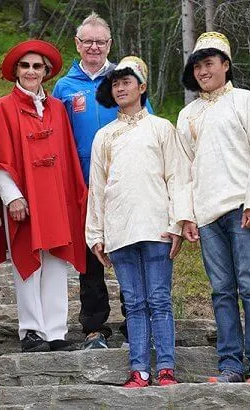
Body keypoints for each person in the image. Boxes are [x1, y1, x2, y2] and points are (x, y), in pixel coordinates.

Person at [175, 32, 250, 384]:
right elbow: (184, 171)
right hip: (206, 215)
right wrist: (186, 215)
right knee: (221, 290)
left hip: (241, 209)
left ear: (226, 65)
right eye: (198, 65)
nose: (203, 71)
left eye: (210, 63)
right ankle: (230, 365)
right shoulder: (188, 115)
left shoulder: (245, 101)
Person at [52, 12, 153, 349]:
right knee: (89, 261)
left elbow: (147, 125)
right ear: (77, 45)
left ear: (109, 45)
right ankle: (94, 326)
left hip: (126, 186)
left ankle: (134, 322)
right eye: (88, 41)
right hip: (83, 185)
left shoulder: (123, 79)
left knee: (128, 252)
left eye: (100, 41)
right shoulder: (64, 87)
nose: (94, 46)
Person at [0, 39, 87, 353]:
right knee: (26, 258)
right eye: (25, 65)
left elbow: (66, 155)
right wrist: (12, 196)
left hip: (54, 195)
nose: (31, 71)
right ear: (17, 70)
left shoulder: (57, 108)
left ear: (46, 73)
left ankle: (55, 331)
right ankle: (31, 330)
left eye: (37, 66)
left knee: (55, 259)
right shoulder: (2, 106)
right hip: (23, 196)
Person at [87, 56, 182, 388]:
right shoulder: (104, 136)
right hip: (120, 229)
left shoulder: (162, 128)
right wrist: (96, 234)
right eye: (115, 83)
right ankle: (139, 369)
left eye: (127, 81)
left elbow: (176, 178)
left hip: (156, 226)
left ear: (142, 87)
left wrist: (178, 224)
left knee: (159, 298)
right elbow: (97, 189)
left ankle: (167, 367)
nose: (120, 87)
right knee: (135, 302)